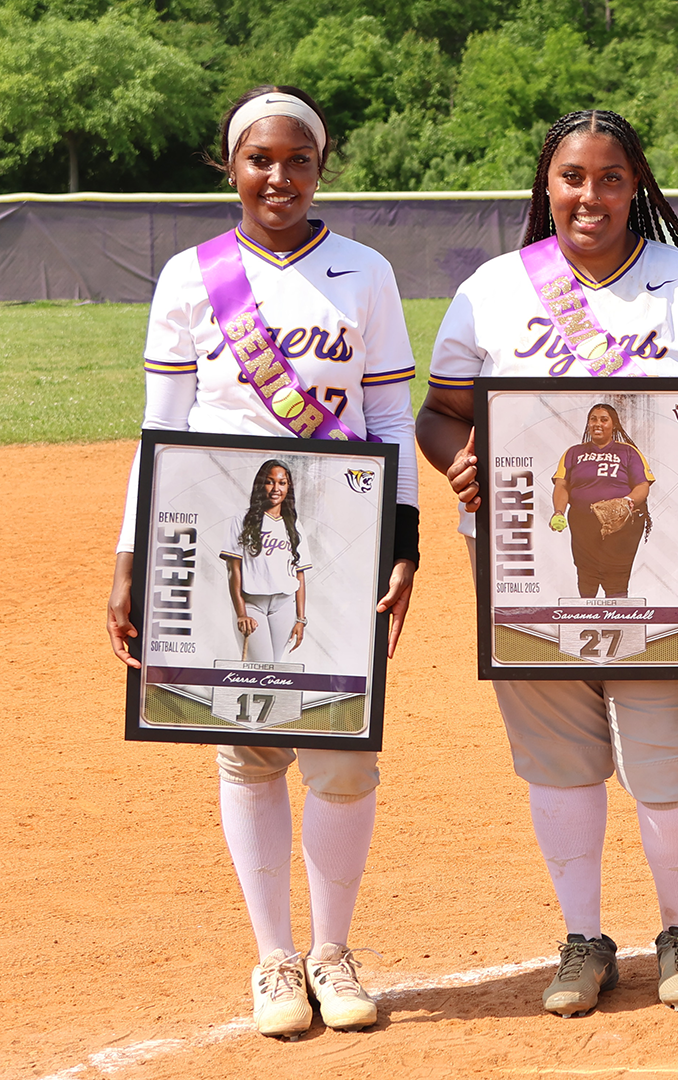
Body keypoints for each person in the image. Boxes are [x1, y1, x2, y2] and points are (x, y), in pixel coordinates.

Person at [418, 109, 678, 1017]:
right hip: (528, 565)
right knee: (556, 757)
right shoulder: (493, 291)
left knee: (668, 752)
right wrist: (456, 461)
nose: (591, 195)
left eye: (610, 178)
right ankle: (582, 938)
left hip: (671, 561)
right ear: (548, 184)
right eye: (573, 176)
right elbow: (442, 411)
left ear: (637, 186)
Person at [104, 85, 421, 1038]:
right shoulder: (189, 277)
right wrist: (130, 553)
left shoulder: (363, 273)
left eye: (298, 160)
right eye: (259, 159)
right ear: (230, 166)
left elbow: (392, 419)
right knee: (246, 743)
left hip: (340, 535)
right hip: (225, 532)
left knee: (342, 749)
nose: (278, 177)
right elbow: (162, 431)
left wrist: (401, 544)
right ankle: (274, 958)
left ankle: (333, 948)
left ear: (321, 167)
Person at [550, 402, 654, 598]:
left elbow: (642, 486)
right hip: (583, 522)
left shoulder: (628, 452)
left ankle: (616, 620)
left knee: (616, 576)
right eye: (593, 419)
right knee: (586, 574)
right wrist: (558, 511)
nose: (598, 424)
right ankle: (588, 617)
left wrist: (626, 502)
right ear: (588, 424)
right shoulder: (573, 453)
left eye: (604, 419)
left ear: (613, 424)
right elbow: (562, 485)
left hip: (622, 524)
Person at [223, 461, 312, 662]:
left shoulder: (294, 524)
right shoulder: (243, 519)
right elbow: (233, 569)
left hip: (284, 604)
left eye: (282, 483)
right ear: (260, 485)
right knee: (261, 665)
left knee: (276, 665)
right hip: (253, 602)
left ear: (288, 487)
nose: (276, 489)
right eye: (270, 482)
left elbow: (300, 574)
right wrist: (240, 613)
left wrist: (300, 619)